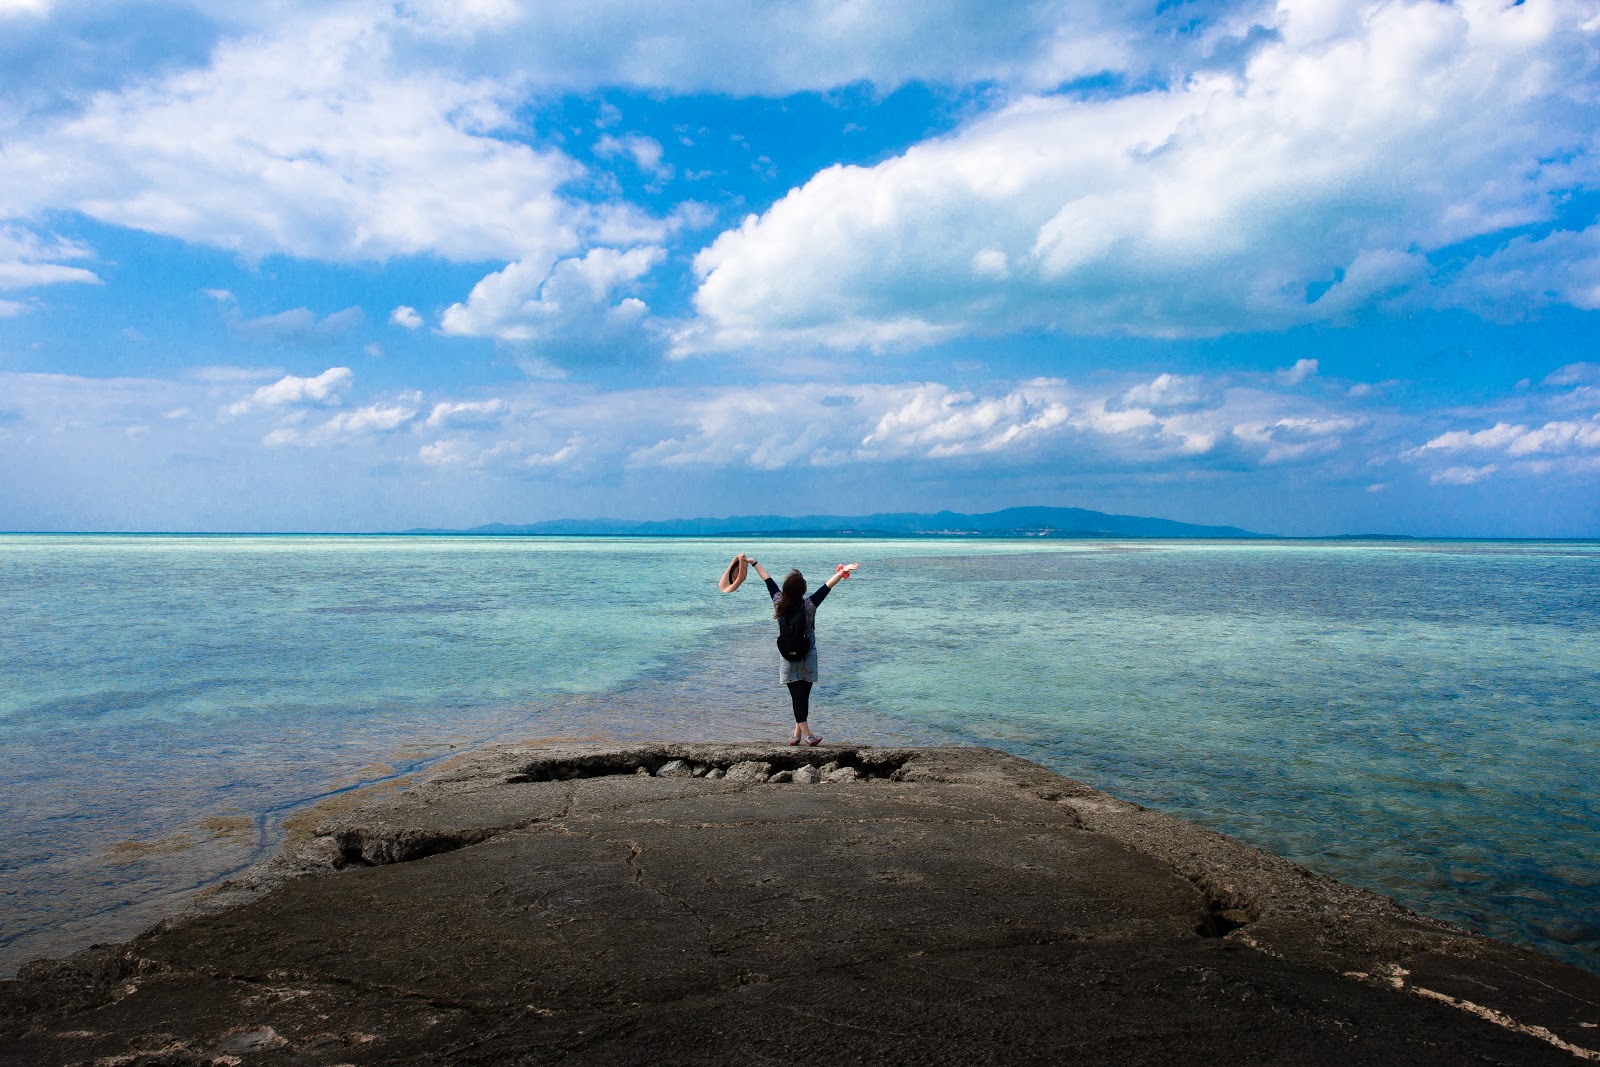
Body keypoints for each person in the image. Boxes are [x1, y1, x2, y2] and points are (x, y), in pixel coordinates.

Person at [738, 554, 859, 746]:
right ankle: (809, 736)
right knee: (802, 697)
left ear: (786, 589)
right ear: (803, 591)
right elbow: (827, 587)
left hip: (787, 657)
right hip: (807, 655)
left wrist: (754, 563)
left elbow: (767, 580)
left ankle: (796, 735)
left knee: (798, 697)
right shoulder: (809, 606)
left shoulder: (778, 602)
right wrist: (843, 572)